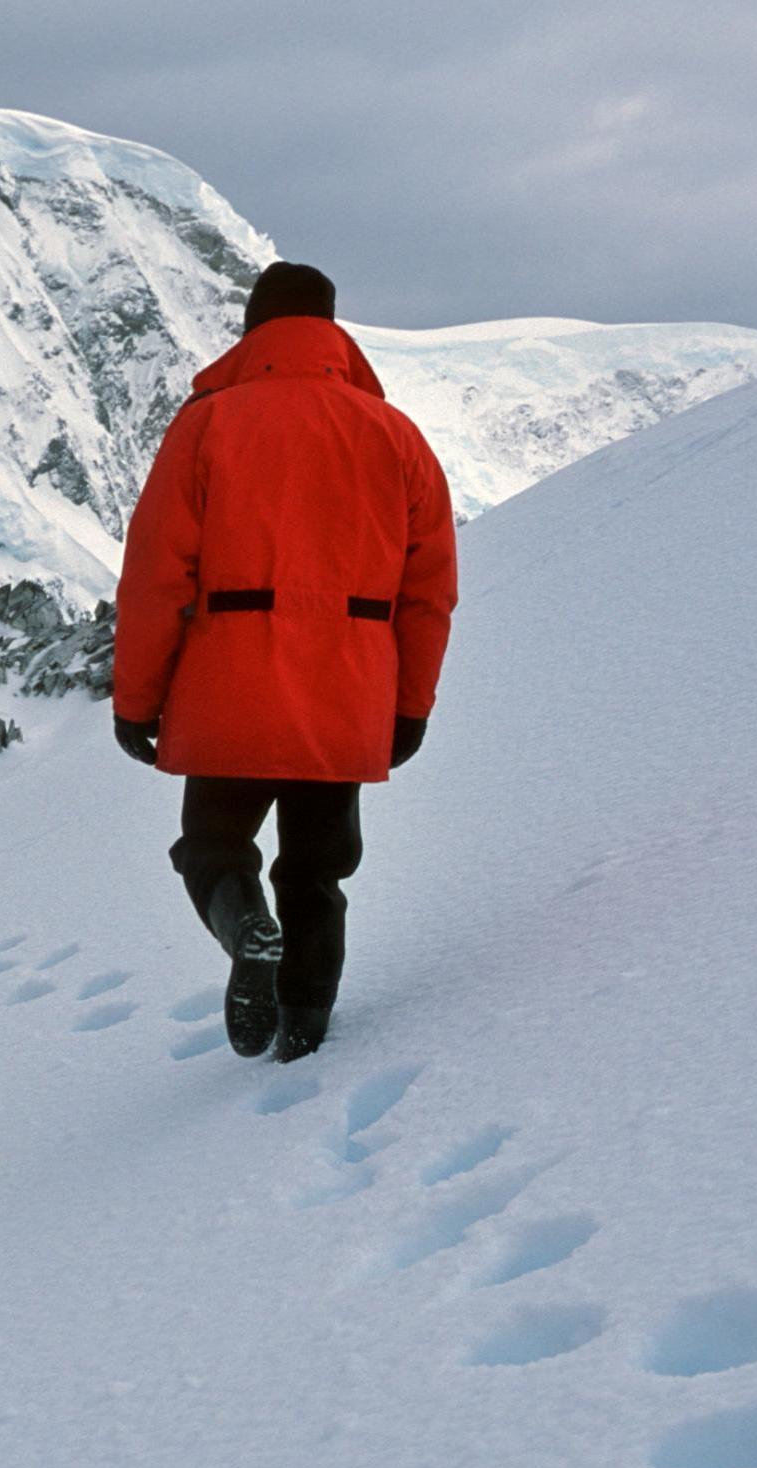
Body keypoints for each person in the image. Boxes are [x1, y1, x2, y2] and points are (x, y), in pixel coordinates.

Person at [111, 261, 459, 1063]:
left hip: (232, 680)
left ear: (253, 330)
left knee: (212, 846)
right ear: (333, 333)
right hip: (348, 689)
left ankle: (244, 931)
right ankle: (305, 1033)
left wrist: (138, 701)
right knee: (316, 872)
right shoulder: (397, 436)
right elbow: (429, 591)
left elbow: (156, 576)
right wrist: (409, 706)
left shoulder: (208, 423)